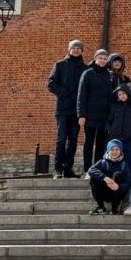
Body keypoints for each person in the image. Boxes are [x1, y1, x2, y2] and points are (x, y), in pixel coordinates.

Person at [47, 40, 87, 178]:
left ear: (82, 51)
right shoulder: (60, 65)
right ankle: (58, 168)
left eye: (79, 48)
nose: (76, 50)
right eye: (74, 48)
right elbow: (51, 83)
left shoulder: (85, 69)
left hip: (77, 110)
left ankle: (67, 167)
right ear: (69, 49)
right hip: (63, 109)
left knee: (73, 140)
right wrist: (64, 94)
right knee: (62, 138)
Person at [77, 48, 112, 176]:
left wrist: (110, 116)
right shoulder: (87, 73)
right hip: (90, 115)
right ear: (96, 59)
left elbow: (110, 97)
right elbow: (81, 96)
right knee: (88, 142)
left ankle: (97, 169)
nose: (103, 60)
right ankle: (87, 169)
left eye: (105, 58)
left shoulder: (108, 75)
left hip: (103, 116)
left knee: (101, 144)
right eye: (100, 58)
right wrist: (81, 115)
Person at [88, 138, 131, 215]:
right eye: (112, 149)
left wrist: (118, 187)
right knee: (94, 178)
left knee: (117, 174)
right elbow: (91, 170)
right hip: (105, 192)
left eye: (117, 149)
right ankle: (101, 208)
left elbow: (128, 182)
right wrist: (104, 177)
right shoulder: (102, 162)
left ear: (120, 151)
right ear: (108, 150)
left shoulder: (124, 165)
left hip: (117, 194)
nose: (114, 152)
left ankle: (115, 208)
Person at [106, 85, 131, 177]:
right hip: (115, 138)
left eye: (123, 93)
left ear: (128, 94)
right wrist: (109, 129)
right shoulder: (115, 106)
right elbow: (108, 120)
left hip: (128, 138)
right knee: (113, 159)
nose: (121, 96)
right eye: (119, 94)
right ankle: (112, 177)